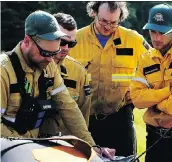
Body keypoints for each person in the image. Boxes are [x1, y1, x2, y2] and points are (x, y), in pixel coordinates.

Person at [0, 10, 115, 159]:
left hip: (31, 150)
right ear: (27, 41)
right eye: (45, 53)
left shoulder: (49, 66)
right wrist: (27, 145)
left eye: (54, 53)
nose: (50, 60)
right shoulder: (4, 71)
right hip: (8, 151)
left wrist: (92, 147)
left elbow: (68, 107)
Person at [69, 1, 150, 156]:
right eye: (103, 21)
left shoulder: (134, 40)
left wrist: (139, 90)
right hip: (85, 120)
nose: (107, 27)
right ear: (94, 13)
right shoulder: (75, 40)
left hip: (120, 119)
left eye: (113, 23)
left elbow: (154, 64)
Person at [130, 4, 172, 162]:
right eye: (153, 32)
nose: (156, 38)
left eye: (162, 33)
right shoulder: (145, 59)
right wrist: (168, 91)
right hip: (153, 136)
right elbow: (137, 99)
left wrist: (156, 105)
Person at [39, 13, 91, 137]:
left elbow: (82, 116)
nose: (66, 48)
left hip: (66, 145)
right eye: (62, 42)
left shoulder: (79, 72)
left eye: (71, 44)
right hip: (31, 143)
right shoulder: (31, 65)